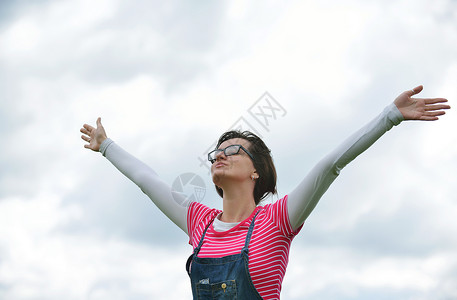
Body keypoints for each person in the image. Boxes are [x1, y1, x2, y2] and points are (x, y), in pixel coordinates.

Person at [80, 85, 449, 299]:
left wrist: (389, 116)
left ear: (256, 171)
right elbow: (148, 181)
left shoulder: (277, 220)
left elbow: (329, 165)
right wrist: (106, 145)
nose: (220, 155)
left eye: (232, 150)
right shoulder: (200, 223)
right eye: (216, 153)